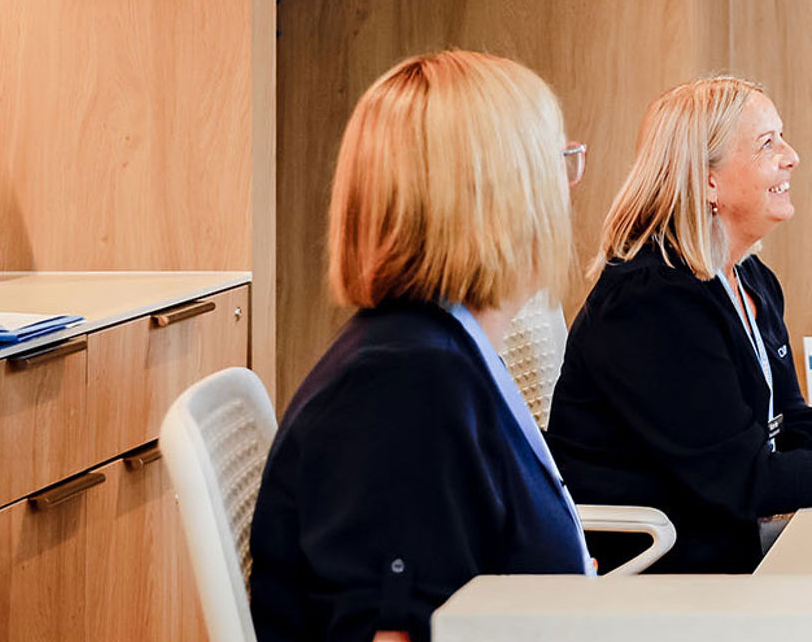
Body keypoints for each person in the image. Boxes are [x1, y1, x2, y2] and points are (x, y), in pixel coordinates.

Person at [546, 75, 812, 572]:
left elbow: (788, 425)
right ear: (708, 179)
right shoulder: (654, 299)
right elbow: (744, 479)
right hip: (670, 571)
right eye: (766, 143)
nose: (791, 155)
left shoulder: (750, 279)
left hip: (733, 543)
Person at [250, 51, 593, 642]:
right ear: (496, 198)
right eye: (559, 163)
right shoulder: (404, 387)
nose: (571, 187)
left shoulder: (442, 352)